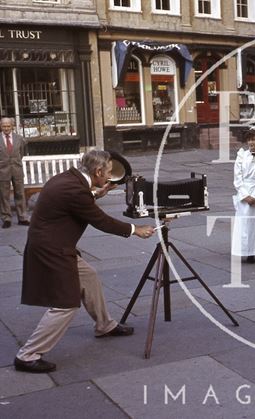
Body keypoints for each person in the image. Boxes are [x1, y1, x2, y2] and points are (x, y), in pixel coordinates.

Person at [15, 150, 155, 373]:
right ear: (98, 171)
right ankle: (27, 355)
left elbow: (77, 199)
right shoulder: (75, 190)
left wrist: (98, 193)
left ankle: (104, 325)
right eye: (108, 173)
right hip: (52, 250)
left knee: (88, 277)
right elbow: (100, 220)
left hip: (54, 244)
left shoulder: (70, 178)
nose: (110, 177)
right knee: (65, 304)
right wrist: (135, 230)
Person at [232, 128, 255, 262]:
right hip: (244, 192)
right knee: (246, 224)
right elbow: (237, 176)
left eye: (254, 139)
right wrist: (244, 194)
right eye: (249, 140)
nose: (251, 142)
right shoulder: (242, 155)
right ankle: (249, 252)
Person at [0, 117, 30, 228]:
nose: (6, 128)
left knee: (20, 194)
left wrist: (15, 161)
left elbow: (22, 152)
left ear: (12, 126)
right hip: (2, 171)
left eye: (8, 126)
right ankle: (6, 219)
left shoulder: (19, 139)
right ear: (1, 126)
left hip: (17, 169)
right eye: (4, 126)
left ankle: (22, 218)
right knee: (4, 195)